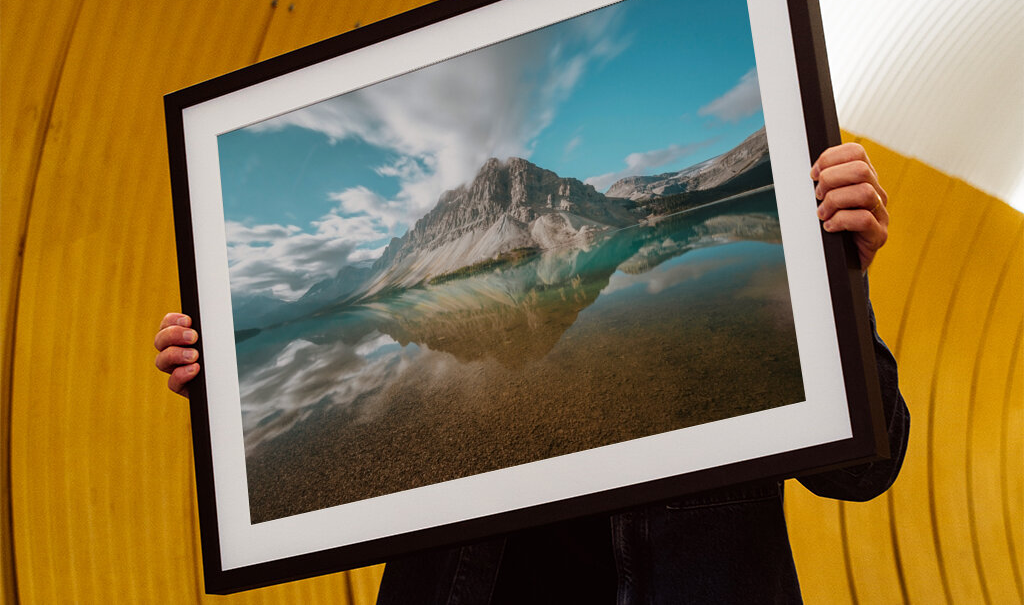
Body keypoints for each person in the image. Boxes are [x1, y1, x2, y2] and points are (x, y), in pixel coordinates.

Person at [154, 143, 909, 604]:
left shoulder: (765, 302)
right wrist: (233, 388)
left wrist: (839, 277)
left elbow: (865, 470)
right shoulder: (448, 400)